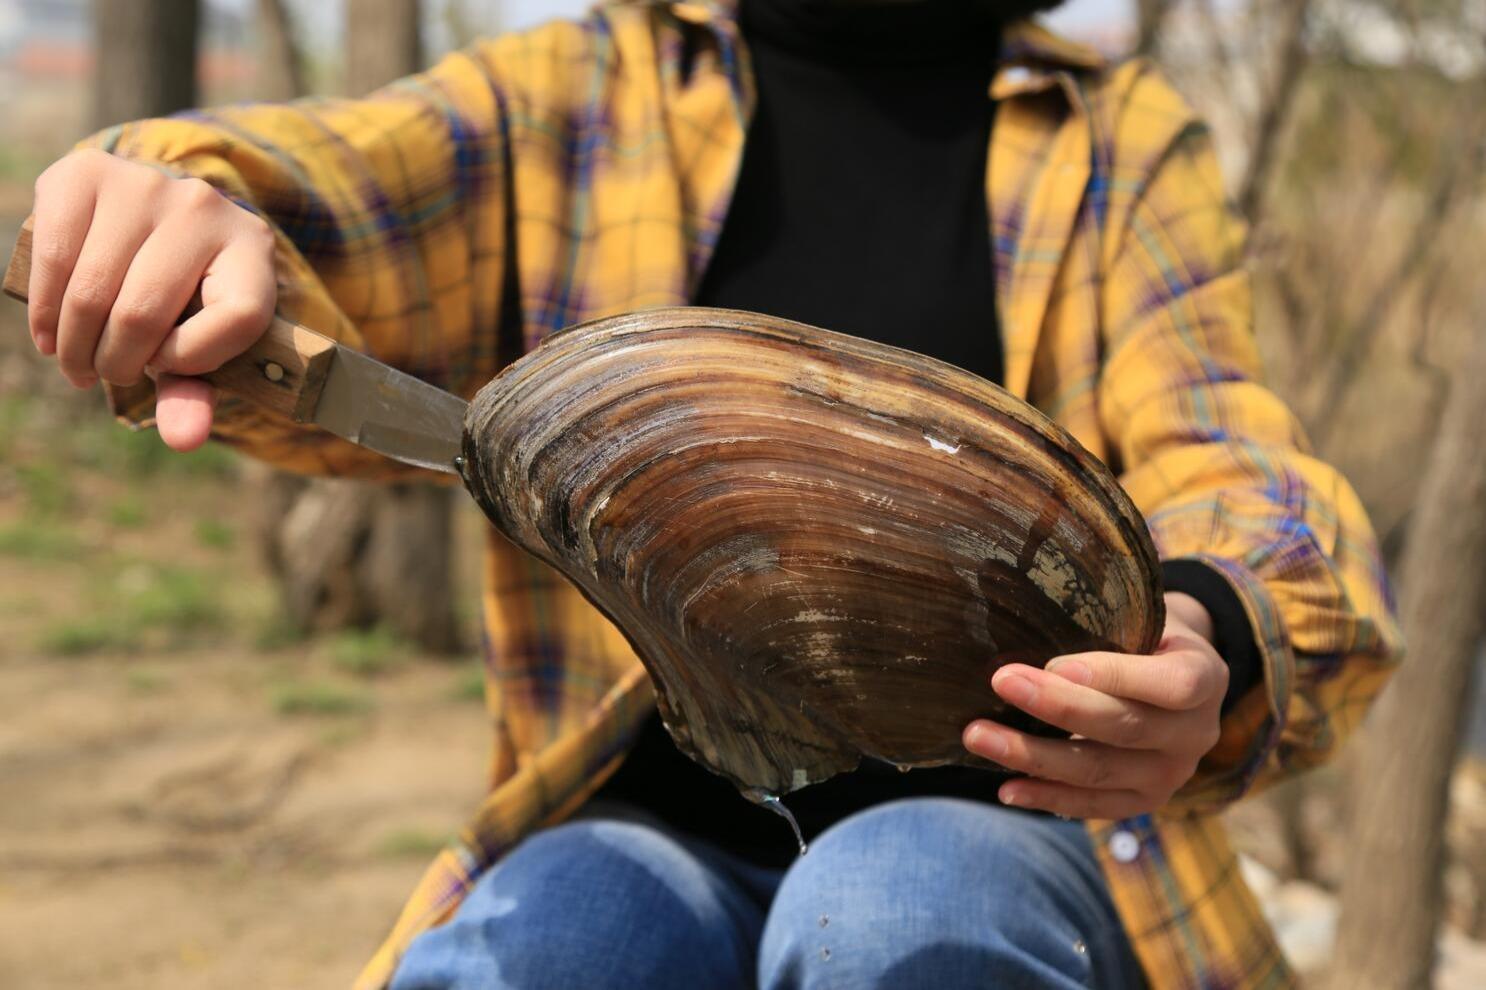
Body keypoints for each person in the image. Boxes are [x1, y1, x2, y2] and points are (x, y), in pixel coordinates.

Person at [23, 1, 1400, 987]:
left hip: (1021, 829)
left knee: (900, 899)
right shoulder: (568, 90)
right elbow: (328, 192)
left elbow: (1240, 475)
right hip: (630, 820)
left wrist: (1211, 628)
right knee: (561, 932)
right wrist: (179, 208)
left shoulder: (1115, 141)